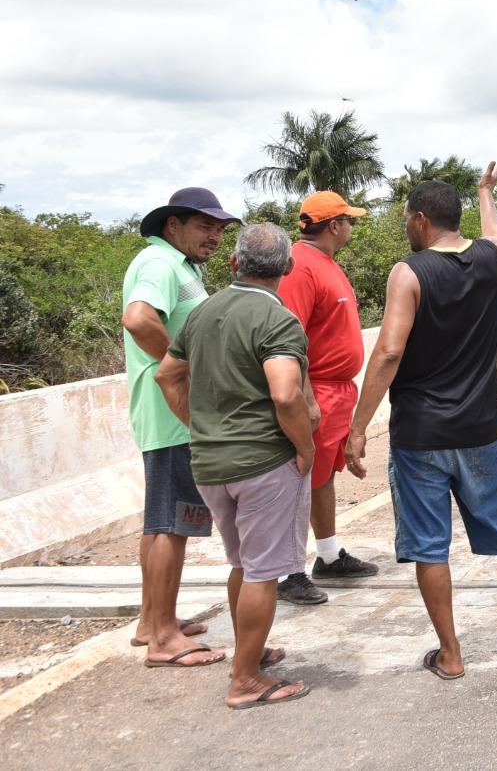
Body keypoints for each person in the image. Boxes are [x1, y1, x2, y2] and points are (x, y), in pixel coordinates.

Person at [345, 168, 497, 680]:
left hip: (422, 435)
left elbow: (389, 351)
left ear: (420, 219)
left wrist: (358, 427)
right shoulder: (489, 259)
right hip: (480, 428)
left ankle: (451, 654)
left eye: (406, 217)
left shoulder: (410, 272)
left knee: (430, 547)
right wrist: (487, 193)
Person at [155, 224, 315, 708]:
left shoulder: (202, 313)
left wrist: (197, 424)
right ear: (286, 268)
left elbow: (167, 374)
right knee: (264, 572)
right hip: (263, 462)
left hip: (210, 463)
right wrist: (304, 448)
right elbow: (285, 393)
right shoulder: (277, 319)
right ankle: (245, 679)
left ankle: (252, 651)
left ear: (233, 264)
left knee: (243, 564)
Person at [121, 187, 240, 668]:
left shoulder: (180, 266)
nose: (214, 236)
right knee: (173, 523)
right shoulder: (159, 264)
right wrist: (182, 368)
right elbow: (138, 318)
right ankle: (165, 640)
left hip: (166, 411)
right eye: (203, 226)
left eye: (218, 229)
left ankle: (152, 621)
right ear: (173, 226)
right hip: (173, 412)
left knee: (160, 522)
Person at [274, 191, 381, 605]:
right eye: (349, 220)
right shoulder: (300, 267)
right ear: (334, 225)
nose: (352, 226)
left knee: (322, 476)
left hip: (337, 390)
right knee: (300, 478)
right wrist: (305, 395)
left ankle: (329, 554)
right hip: (314, 388)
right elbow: (288, 336)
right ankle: (287, 571)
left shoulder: (326, 264)